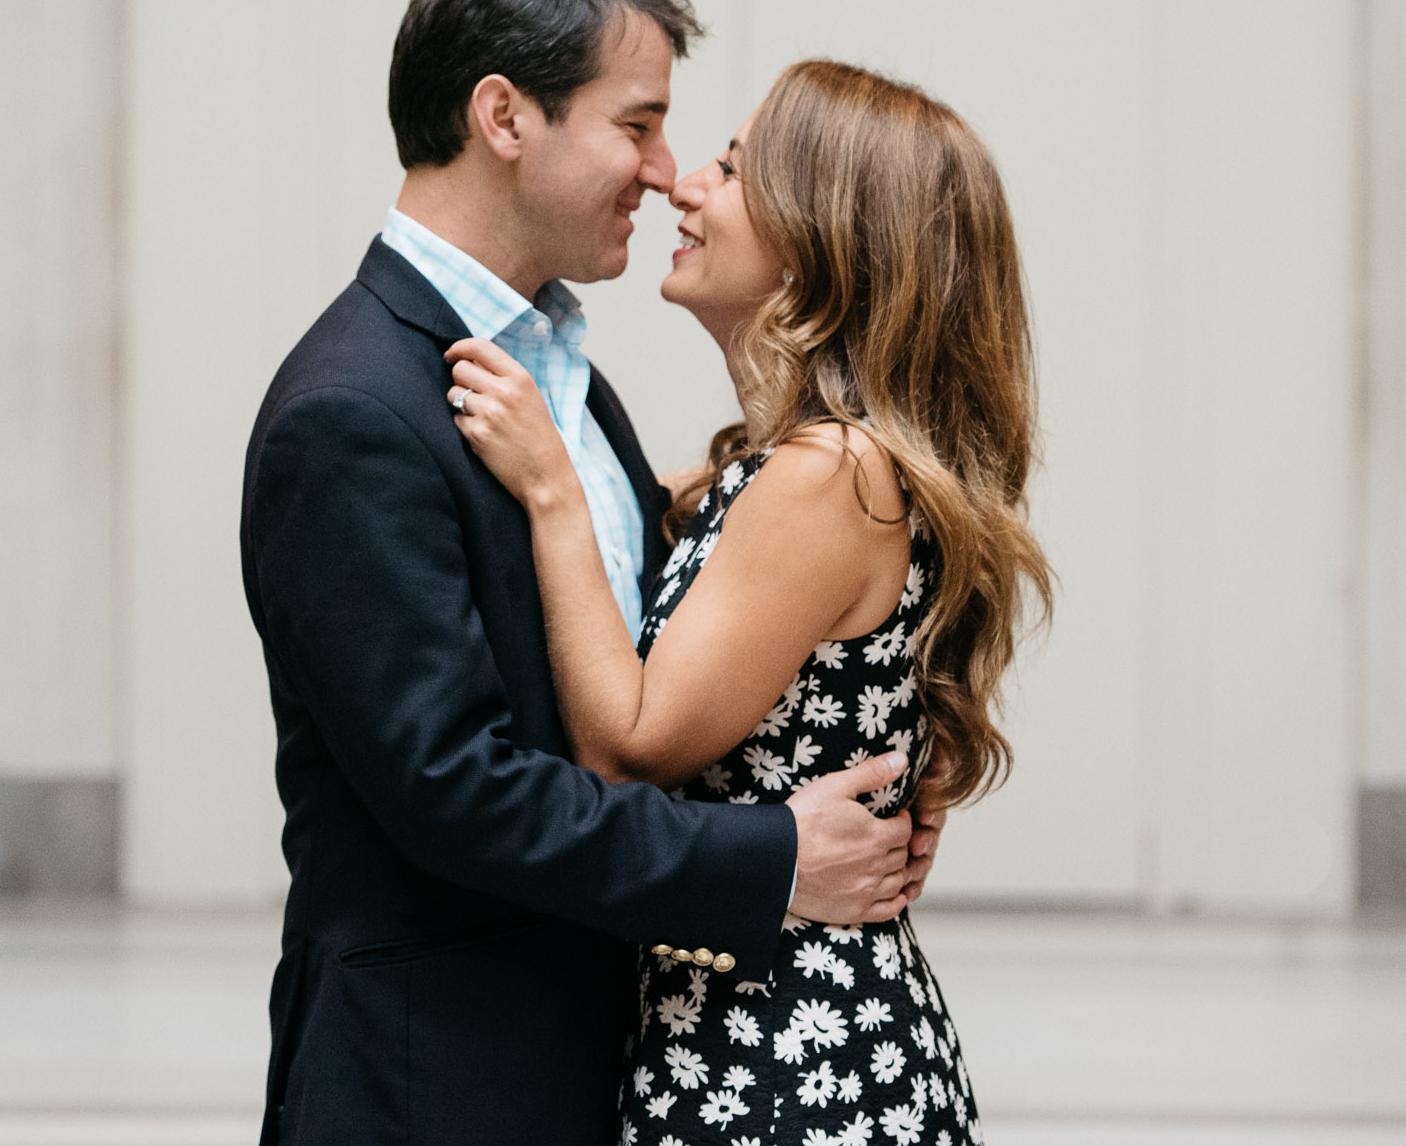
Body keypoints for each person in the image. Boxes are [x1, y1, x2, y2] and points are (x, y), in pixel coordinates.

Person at [240, 0, 947, 1146]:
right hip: (445, 1080)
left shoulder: (563, 378)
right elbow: (456, 791)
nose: (665, 171)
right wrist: (772, 856)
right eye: (637, 124)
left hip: (608, 1057)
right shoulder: (352, 412)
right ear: (504, 117)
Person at [444, 58, 1053, 1145]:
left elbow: (627, 744)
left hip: (781, 1059)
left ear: (825, 237)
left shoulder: (825, 477)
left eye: (730, 168)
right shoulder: (787, 470)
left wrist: (550, 492)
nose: (684, 185)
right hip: (777, 1033)